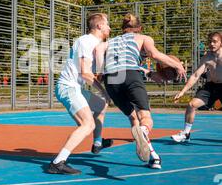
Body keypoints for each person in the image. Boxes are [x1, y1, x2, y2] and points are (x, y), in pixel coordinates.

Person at [95, 13, 186, 169]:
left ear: (123, 29)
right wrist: (177, 65)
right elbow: (154, 54)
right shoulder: (144, 38)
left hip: (111, 80)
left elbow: (98, 49)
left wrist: (100, 71)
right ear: (140, 28)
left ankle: (154, 157)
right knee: (145, 117)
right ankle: (143, 131)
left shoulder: (111, 41)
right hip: (130, 75)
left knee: (134, 118)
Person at [47, 13, 111, 175]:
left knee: (101, 105)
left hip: (76, 87)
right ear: (99, 26)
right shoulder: (86, 41)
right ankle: (58, 162)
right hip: (68, 87)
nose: (109, 27)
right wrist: (103, 91)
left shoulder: (95, 44)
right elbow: (85, 73)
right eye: (107, 24)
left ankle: (97, 143)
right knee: (87, 124)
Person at [172, 31, 222, 142]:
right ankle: (185, 134)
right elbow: (195, 75)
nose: (212, 44)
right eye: (210, 41)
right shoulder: (206, 58)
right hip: (211, 87)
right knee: (191, 104)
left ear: (221, 43)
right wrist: (183, 91)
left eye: (215, 41)